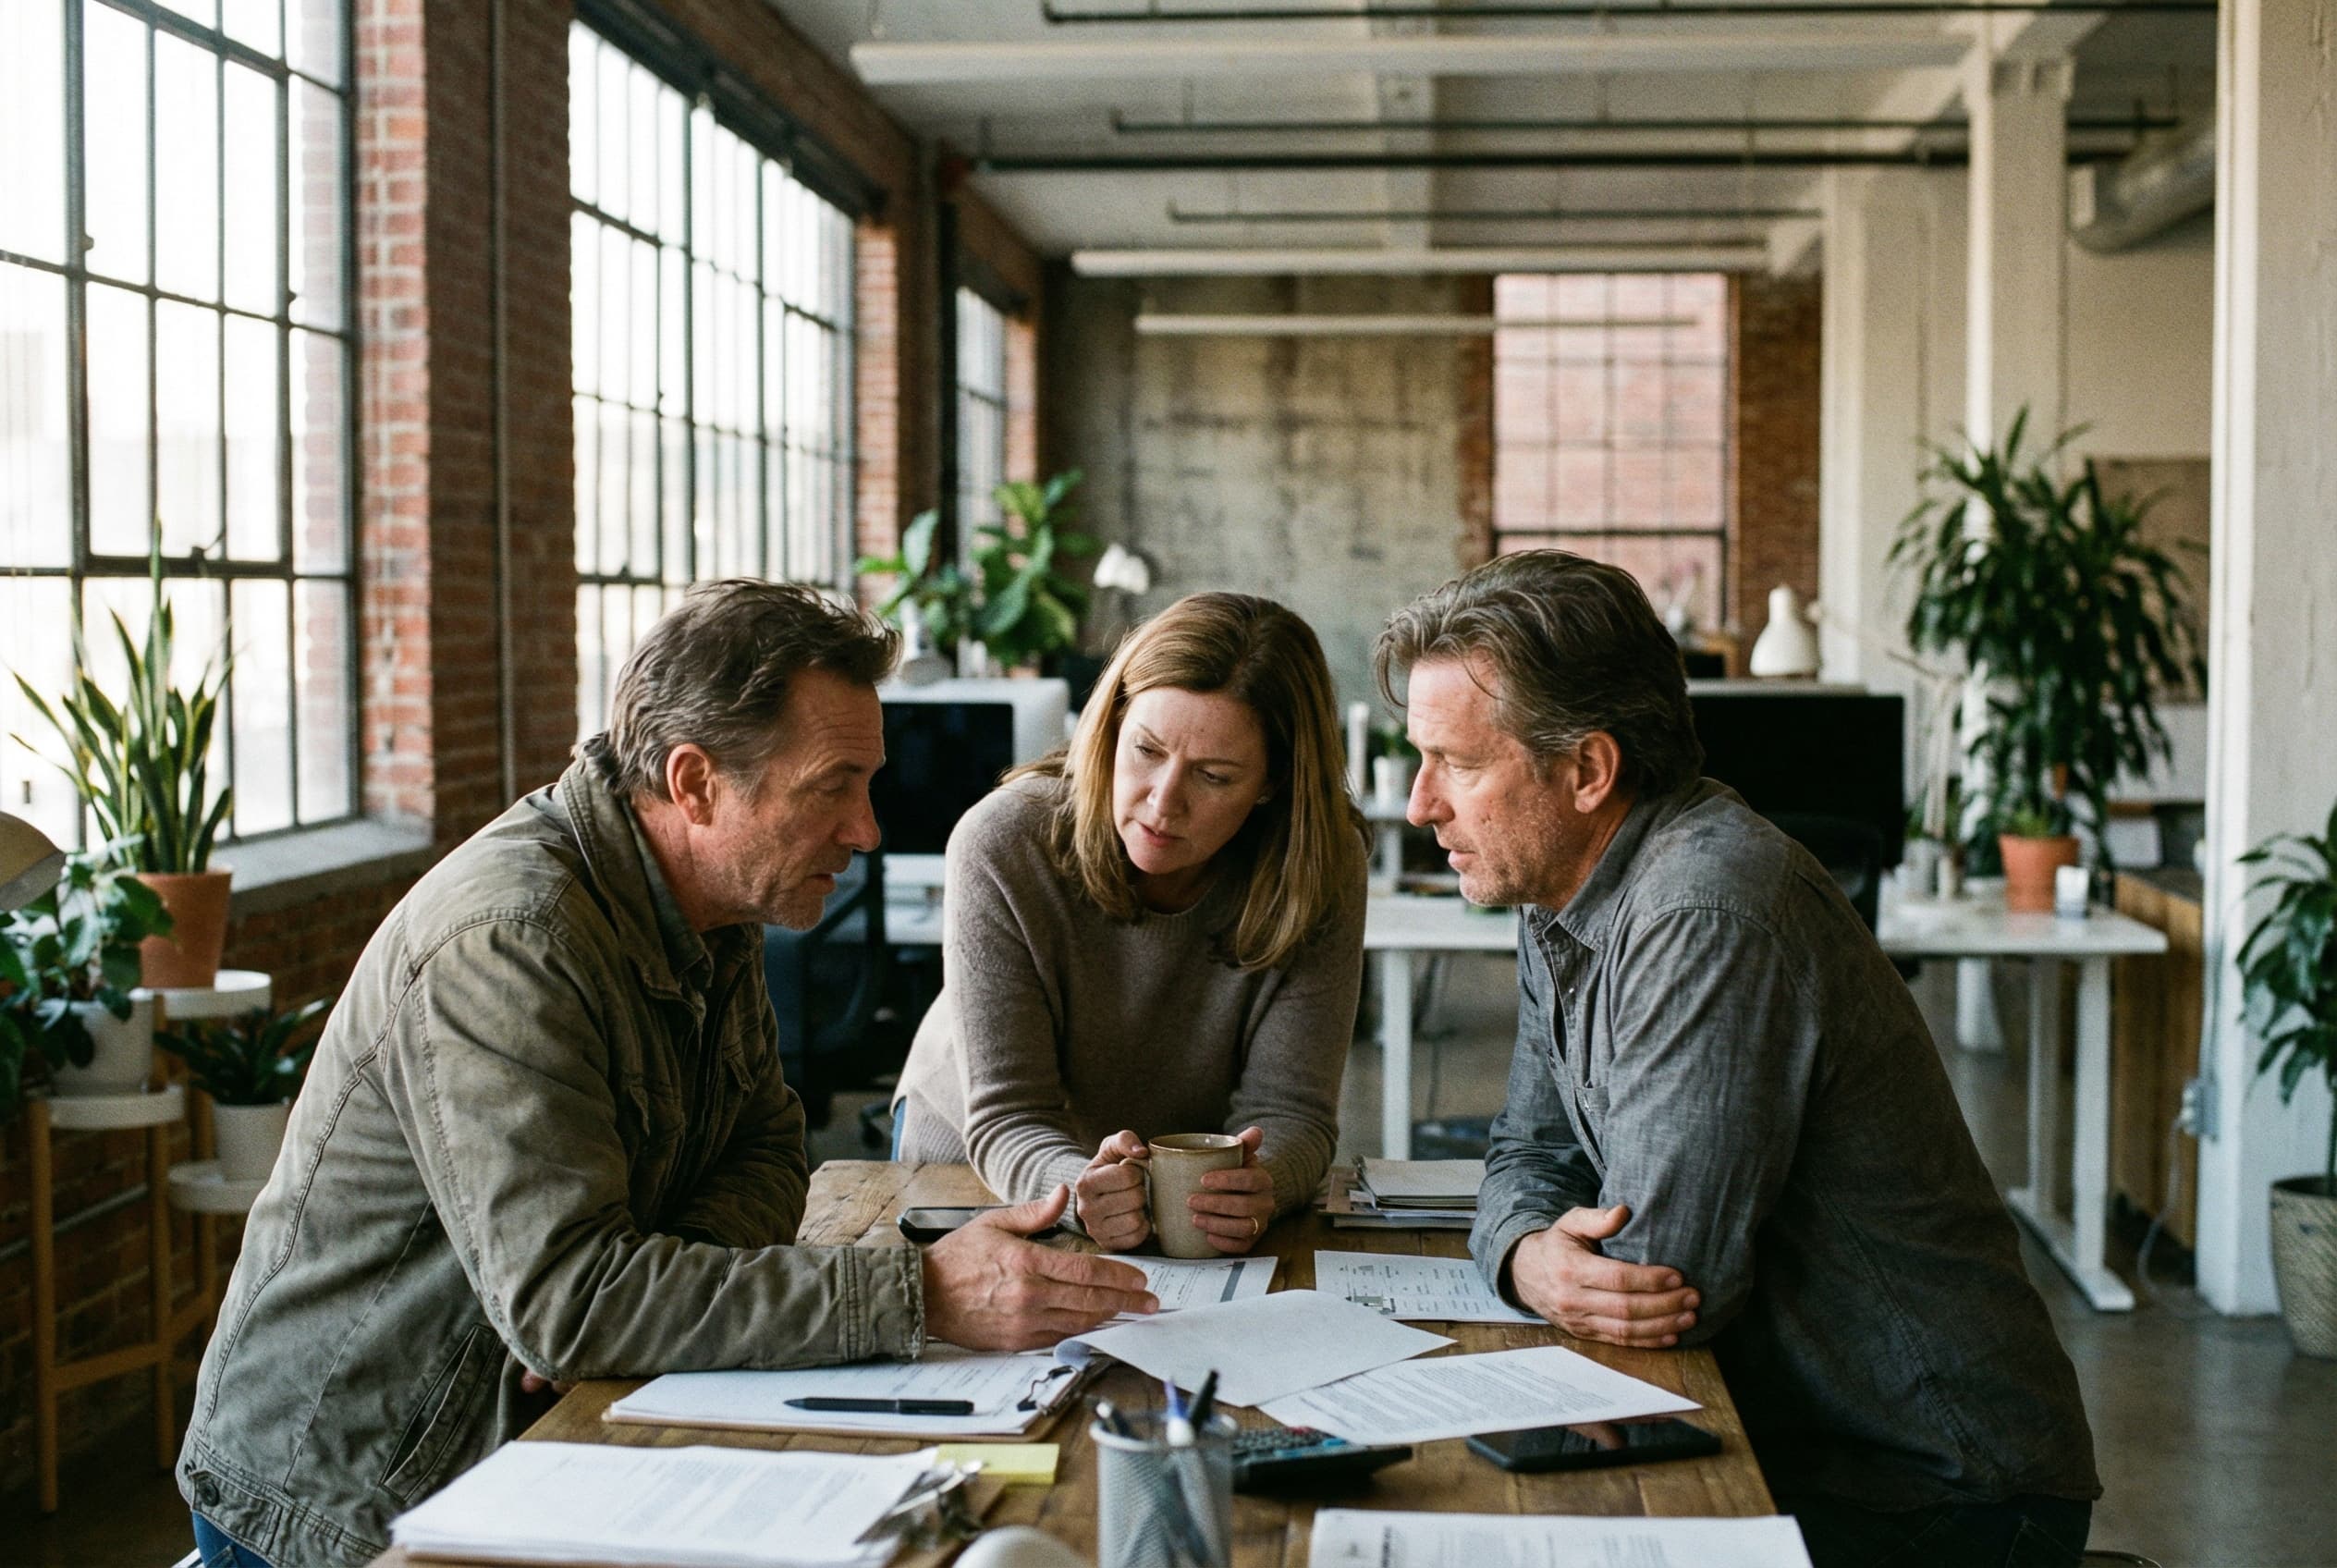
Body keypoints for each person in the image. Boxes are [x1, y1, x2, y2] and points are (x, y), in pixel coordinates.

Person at [178, 582, 1156, 1568]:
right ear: (694, 784)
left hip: (541, 1441)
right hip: (345, 1507)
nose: (865, 830)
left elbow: (772, 1150)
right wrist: (919, 1293)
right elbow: (571, 1301)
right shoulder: (512, 939)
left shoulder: (708, 898)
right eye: (832, 786)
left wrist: (645, 1289)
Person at [1375, 552, 2099, 1568]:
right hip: (1780, 1437)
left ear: (1587, 770)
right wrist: (1523, 1253)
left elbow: (1660, 1282)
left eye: (1454, 761)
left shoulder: (1707, 908)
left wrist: (1539, 1254)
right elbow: (1526, 1154)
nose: (1418, 805)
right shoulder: (1558, 895)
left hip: (1930, 1491)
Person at [894, 592, 1367, 1255]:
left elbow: (1293, 1112)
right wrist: (1076, 1186)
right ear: (1112, 727)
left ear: (1272, 785)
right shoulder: (1004, 841)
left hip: (1173, 1191)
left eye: (1214, 775)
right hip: (970, 1167)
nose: (1162, 802)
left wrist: (1263, 1182)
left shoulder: (1320, 863)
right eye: (1145, 750)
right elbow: (1008, 1116)